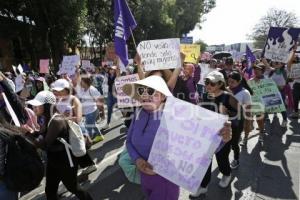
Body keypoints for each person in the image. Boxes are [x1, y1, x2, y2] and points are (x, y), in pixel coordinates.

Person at [123, 75, 232, 200]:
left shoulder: (176, 116)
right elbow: (129, 142)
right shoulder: (138, 112)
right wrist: (137, 160)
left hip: (166, 182)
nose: (145, 95)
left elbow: (200, 146)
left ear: (163, 96)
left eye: (151, 91)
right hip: (143, 177)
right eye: (141, 91)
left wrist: (222, 138)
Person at [26, 91, 93, 200]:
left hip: (66, 159)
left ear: (46, 105)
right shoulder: (46, 118)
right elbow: (41, 133)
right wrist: (31, 133)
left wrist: (27, 134)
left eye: (37, 105)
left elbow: (45, 145)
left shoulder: (56, 120)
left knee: (73, 187)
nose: (34, 107)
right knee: (50, 190)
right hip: (54, 159)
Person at [190, 71, 240, 198]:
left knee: (222, 159)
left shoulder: (228, 97)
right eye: (206, 82)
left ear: (220, 84)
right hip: (206, 134)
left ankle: (227, 174)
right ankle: (203, 186)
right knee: (204, 161)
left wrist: (227, 118)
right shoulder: (205, 95)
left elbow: (239, 115)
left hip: (223, 136)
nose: (208, 86)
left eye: (211, 83)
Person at [51, 79, 97, 175]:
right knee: (74, 150)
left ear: (67, 89)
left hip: (77, 130)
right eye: (56, 91)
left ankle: (89, 166)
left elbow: (79, 118)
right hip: (66, 131)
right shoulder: (57, 102)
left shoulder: (73, 100)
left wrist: (64, 118)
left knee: (78, 148)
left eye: (60, 90)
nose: (58, 93)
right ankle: (87, 166)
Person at [227, 71, 252, 167]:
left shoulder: (245, 93)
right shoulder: (226, 90)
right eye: (228, 81)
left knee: (234, 143)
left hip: (238, 122)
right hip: (226, 120)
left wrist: (248, 124)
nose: (230, 84)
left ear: (239, 82)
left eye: (232, 82)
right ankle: (224, 159)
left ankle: (236, 159)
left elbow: (248, 110)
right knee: (225, 143)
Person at [76, 72, 104, 143]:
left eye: (81, 82)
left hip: (92, 111)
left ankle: (88, 142)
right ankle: (99, 136)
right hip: (87, 112)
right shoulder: (82, 89)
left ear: (86, 82)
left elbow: (100, 99)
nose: (80, 83)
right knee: (92, 124)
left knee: (88, 128)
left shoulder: (92, 89)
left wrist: (101, 111)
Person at [248, 63, 266, 142]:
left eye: (258, 69)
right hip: (252, 104)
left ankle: (261, 133)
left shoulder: (267, 80)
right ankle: (245, 137)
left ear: (262, 71)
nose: (255, 71)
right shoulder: (250, 81)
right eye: (255, 69)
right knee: (248, 121)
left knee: (260, 120)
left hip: (263, 105)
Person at [287, 48, 300, 118]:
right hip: (296, 84)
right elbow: (291, 78)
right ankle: (296, 112)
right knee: (295, 98)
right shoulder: (290, 66)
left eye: (296, 57)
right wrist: (293, 52)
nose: (294, 58)